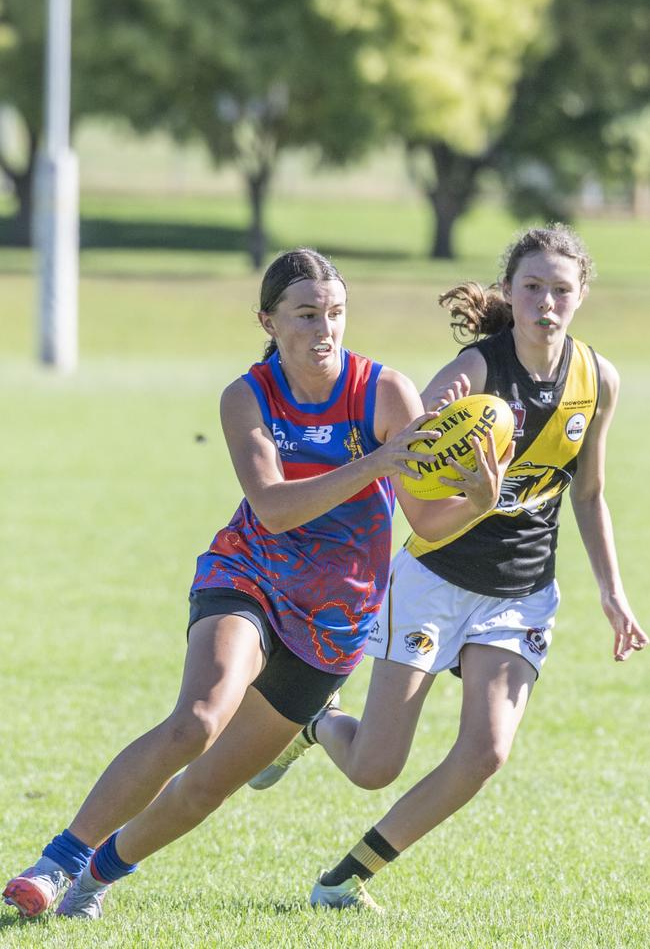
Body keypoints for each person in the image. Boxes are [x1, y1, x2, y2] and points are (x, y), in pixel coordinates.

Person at [3, 247, 509, 922]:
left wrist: (476, 503)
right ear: (268, 320)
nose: (324, 330)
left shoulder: (383, 392)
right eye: (306, 315)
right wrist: (380, 461)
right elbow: (273, 506)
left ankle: (97, 877)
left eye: (335, 313)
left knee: (206, 788)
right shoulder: (247, 397)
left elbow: (421, 519)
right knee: (196, 722)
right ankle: (54, 864)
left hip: (336, 621)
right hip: (251, 577)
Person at [247, 225, 648, 912]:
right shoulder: (474, 374)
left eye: (560, 290)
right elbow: (414, 463)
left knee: (487, 751)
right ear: (509, 292)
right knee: (375, 766)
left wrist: (614, 590)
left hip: (521, 593)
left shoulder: (597, 379)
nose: (545, 303)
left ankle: (344, 880)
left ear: (581, 294)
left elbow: (587, 492)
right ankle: (317, 721)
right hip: (436, 580)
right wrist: (454, 465)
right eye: (531, 287)